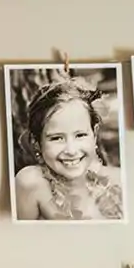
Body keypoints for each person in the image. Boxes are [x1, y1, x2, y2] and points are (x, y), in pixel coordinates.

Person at [14, 78, 123, 220]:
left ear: (94, 135)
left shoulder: (119, 181)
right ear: (37, 143)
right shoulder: (32, 183)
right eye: (57, 138)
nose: (71, 150)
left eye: (80, 135)